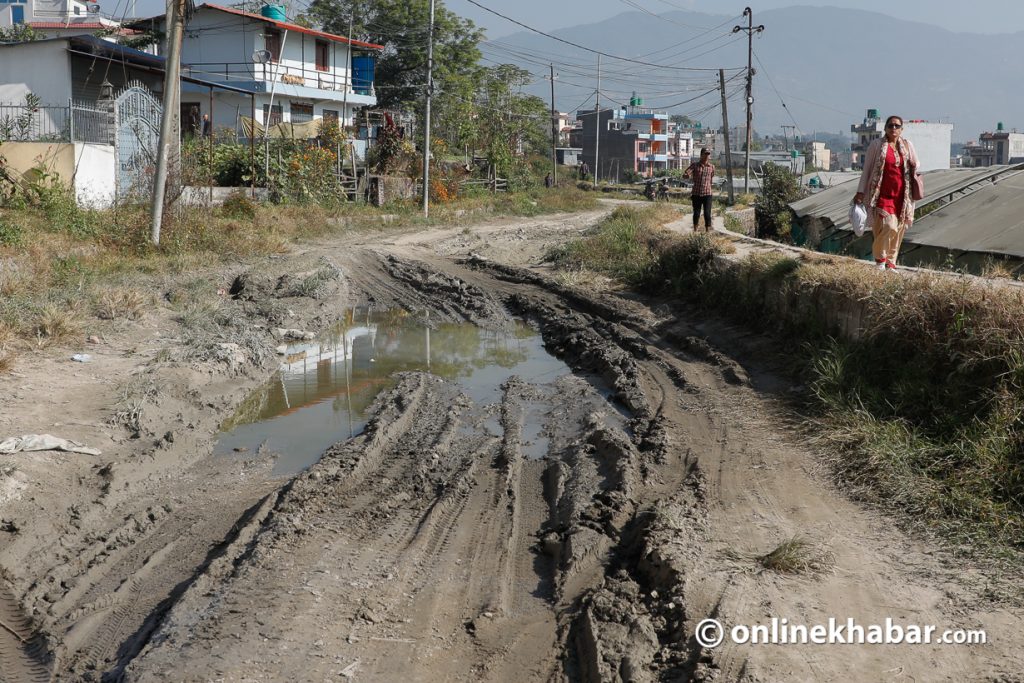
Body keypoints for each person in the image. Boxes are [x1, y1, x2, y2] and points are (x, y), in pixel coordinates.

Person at [854, 115, 919, 271]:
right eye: (890, 126)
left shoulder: (907, 145)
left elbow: (916, 165)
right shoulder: (877, 145)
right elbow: (867, 169)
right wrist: (860, 191)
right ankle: (880, 260)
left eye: (897, 126)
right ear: (885, 128)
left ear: (901, 129)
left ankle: (890, 263)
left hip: (902, 195)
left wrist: (911, 164)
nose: (893, 128)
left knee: (899, 229)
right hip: (881, 194)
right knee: (889, 226)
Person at [684, 147, 715, 232]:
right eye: (705, 154)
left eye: (708, 154)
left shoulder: (712, 167)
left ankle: (707, 231)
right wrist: (686, 175)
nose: (706, 156)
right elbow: (686, 173)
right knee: (696, 213)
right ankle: (695, 230)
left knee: (707, 214)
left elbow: (711, 178)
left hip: (707, 193)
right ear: (701, 155)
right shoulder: (695, 165)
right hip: (696, 194)